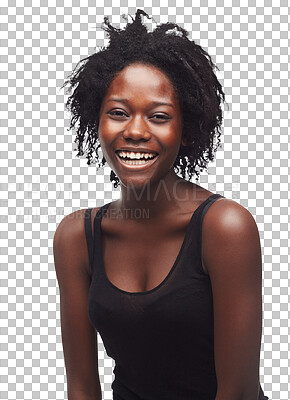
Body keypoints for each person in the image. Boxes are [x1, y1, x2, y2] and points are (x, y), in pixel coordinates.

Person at [53, 9, 269, 400]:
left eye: (158, 116)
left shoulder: (224, 228)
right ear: (96, 122)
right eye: (118, 113)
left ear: (185, 131)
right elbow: (82, 388)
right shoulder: (77, 237)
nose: (135, 131)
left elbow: (237, 393)